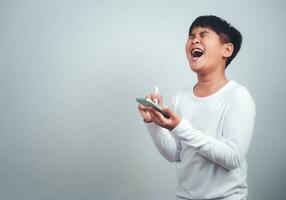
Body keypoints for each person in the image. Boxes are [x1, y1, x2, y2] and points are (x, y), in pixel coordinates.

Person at [137, 15, 256, 200]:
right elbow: (175, 154)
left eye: (203, 34)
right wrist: (152, 123)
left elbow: (233, 157)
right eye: (191, 36)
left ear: (227, 49)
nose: (195, 39)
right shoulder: (179, 97)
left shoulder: (238, 96)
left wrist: (180, 127)